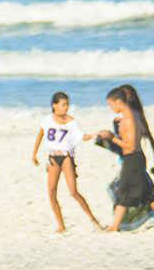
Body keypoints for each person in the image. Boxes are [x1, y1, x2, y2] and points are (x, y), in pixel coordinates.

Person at [95, 85, 154, 231]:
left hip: (133, 159)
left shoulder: (129, 119)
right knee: (146, 193)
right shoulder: (133, 115)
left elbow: (130, 146)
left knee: (123, 191)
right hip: (135, 158)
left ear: (118, 102)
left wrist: (111, 137)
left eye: (110, 104)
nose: (110, 108)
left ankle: (115, 226)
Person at [31, 92, 102, 233]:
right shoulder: (47, 120)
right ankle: (61, 225)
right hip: (52, 157)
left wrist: (94, 135)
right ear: (54, 105)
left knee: (73, 191)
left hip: (66, 157)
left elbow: (82, 136)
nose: (66, 107)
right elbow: (40, 135)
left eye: (67, 104)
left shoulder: (71, 122)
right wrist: (34, 153)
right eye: (63, 104)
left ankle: (94, 220)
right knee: (51, 192)